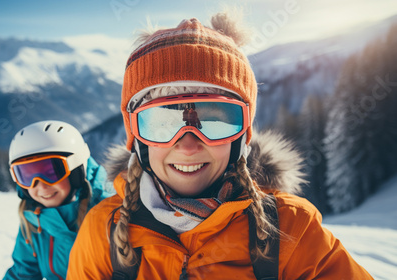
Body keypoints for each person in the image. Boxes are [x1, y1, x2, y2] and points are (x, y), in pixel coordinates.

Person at [67, 11, 373, 279]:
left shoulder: (292, 229)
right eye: (162, 123)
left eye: (215, 121)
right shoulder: (103, 230)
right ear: (137, 137)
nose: (187, 146)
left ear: (242, 135)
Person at [3, 120, 112, 280]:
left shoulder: (111, 212)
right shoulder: (34, 220)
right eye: (26, 176)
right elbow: (23, 273)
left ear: (76, 169)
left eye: (50, 172)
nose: (40, 186)